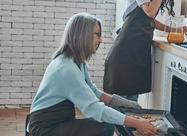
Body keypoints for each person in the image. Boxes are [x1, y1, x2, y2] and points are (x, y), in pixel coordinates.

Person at [26, 12, 157, 136]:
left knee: (107, 122)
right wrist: (137, 123)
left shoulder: (77, 61)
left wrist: (130, 105)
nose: (101, 40)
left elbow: (93, 92)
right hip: (44, 129)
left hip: (57, 121)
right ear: (83, 35)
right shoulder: (66, 68)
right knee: (106, 126)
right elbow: (94, 109)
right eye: (97, 35)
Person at [103, 0, 187, 101]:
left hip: (141, 44)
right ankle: (113, 126)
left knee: (132, 96)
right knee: (119, 96)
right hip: (128, 42)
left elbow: (149, 20)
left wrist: (175, 29)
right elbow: (150, 11)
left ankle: (130, 125)